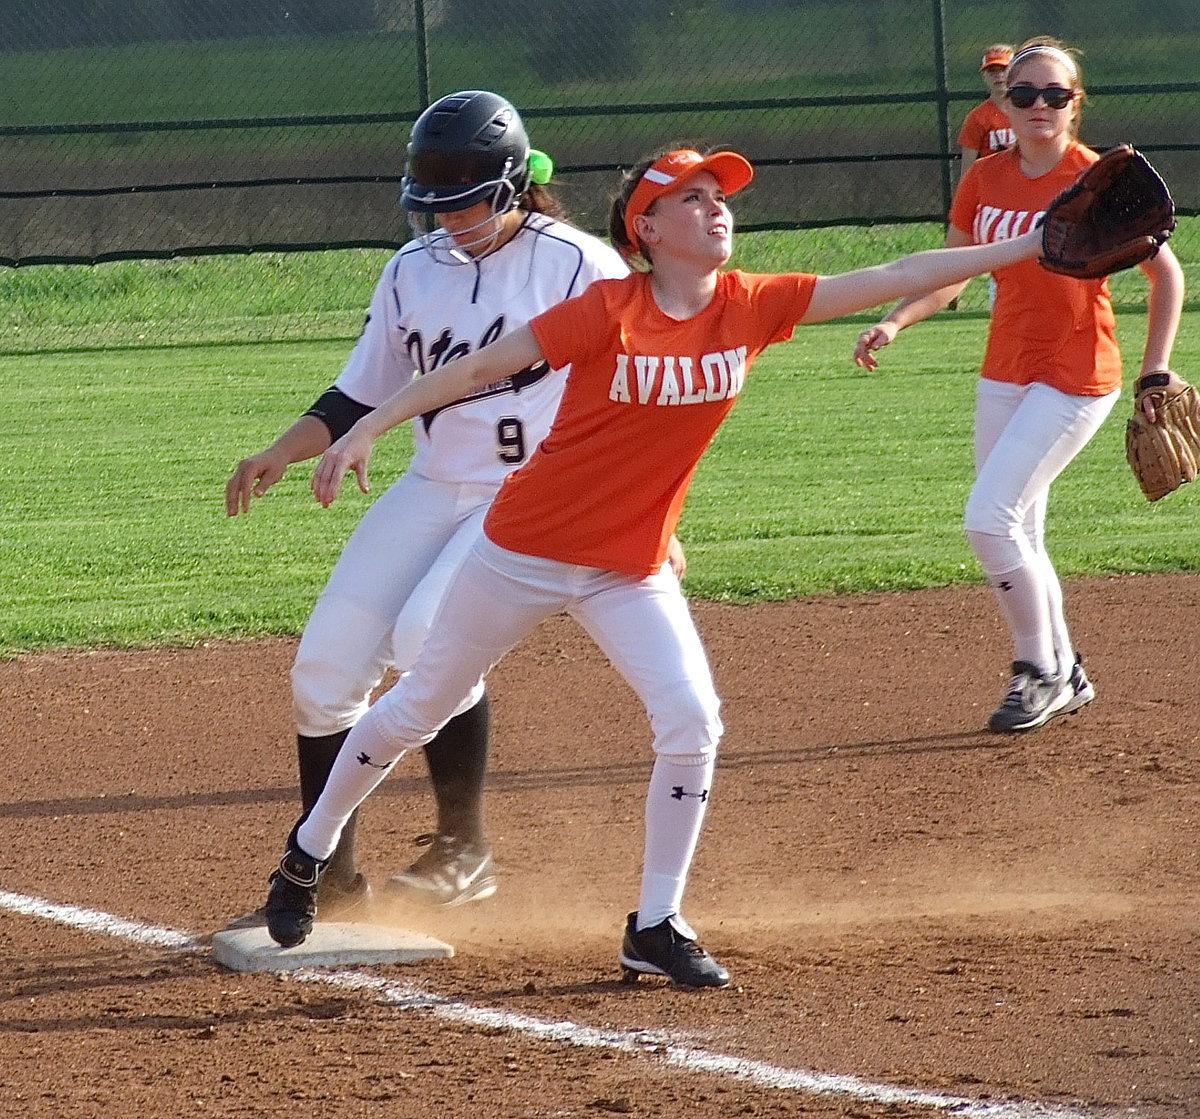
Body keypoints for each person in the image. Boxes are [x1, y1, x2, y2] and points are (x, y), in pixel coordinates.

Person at [257, 144, 1054, 988]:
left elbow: (900, 268)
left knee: (693, 721)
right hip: (523, 548)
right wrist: (374, 424)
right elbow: (479, 367)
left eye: (722, 196)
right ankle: (307, 855)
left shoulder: (751, 304)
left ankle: (657, 921)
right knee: (418, 702)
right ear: (647, 227)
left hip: (629, 566)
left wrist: (1025, 247)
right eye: (694, 197)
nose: (718, 209)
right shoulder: (609, 308)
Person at [223, 90, 631, 923]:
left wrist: (637, 501)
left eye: (469, 200)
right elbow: (356, 394)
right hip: (436, 485)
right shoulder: (412, 271)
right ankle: (329, 875)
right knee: (325, 669)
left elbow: (634, 390)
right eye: (435, 204)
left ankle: (463, 848)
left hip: (533, 492)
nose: (452, 220)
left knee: (423, 641)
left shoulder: (581, 264)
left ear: (516, 184)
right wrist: (278, 451)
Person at [854, 38, 1184, 735]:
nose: (1040, 105)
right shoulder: (986, 179)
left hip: (1077, 374)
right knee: (1021, 528)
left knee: (988, 518)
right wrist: (897, 319)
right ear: (1003, 102)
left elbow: (1168, 274)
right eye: (1025, 93)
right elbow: (953, 269)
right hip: (1005, 369)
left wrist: (1156, 367)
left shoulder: (1095, 178)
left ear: (1076, 102)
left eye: (1056, 94)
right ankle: (1068, 667)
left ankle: (1041, 670)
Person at [957, 44, 1015, 177]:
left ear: (1015, 71)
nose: (998, 75)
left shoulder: (1028, 111)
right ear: (984, 76)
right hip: (992, 187)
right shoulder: (977, 117)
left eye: (1004, 69)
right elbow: (967, 171)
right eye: (992, 71)